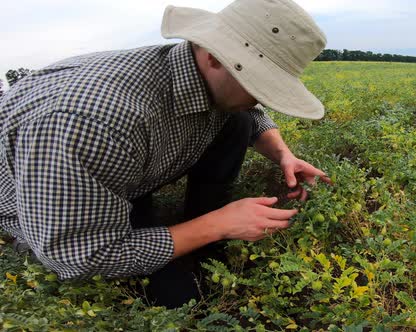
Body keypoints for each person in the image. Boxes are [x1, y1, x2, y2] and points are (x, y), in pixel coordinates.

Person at [0, 0, 330, 308]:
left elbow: (251, 112)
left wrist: (282, 154)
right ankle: (203, 232)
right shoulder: (93, 122)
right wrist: (218, 224)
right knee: (185, 298)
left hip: (125, 175)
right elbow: (77, 255)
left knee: (239, 118)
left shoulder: (198, 73)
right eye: (260, 85)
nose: (265, 100)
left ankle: (200, 236)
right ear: (214, 55)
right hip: (55, 211)